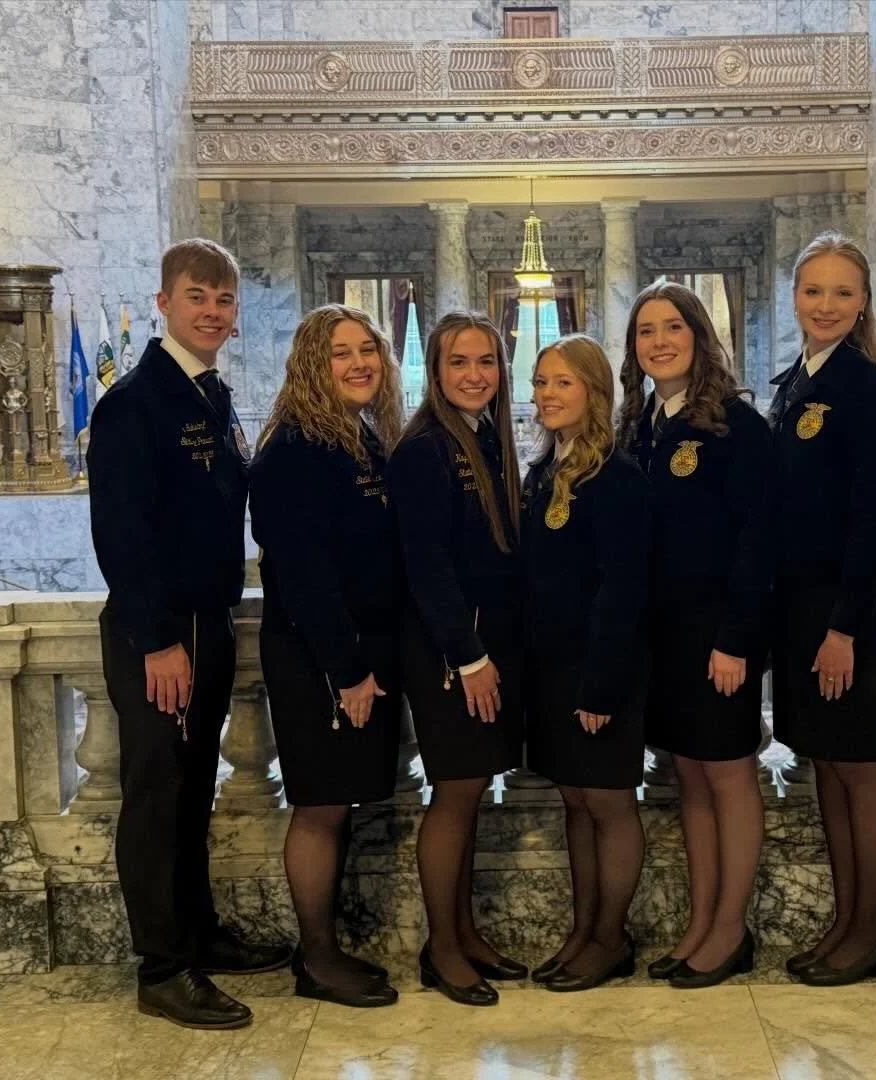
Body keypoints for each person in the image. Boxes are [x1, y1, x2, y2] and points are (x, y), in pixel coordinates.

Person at [88, 239, 290, 1031]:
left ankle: (198, 933)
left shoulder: (209, 394)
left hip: (210, 622)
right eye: (197, 296)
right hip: (163, 633)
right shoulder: (134, 403)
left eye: (223, 299)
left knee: (193, 789)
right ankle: (163, 968)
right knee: (157, 798)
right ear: (164, 302)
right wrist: (156, 639)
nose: (211, 311)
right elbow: (122, 533)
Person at [616, 282, 773, 990]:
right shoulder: (639, 424)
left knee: (729, 774)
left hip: (719, 636)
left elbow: (756, 544)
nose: (659, 342)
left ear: (699, 335)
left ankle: (731, 929)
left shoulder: (738, 426)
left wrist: (736, 639)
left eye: (672, 327)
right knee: (690, 778)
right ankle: (702, 921)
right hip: (664, 638)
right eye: (646, 331)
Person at [248, 304, 405, 1008]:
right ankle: (315, 958)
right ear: (313, 363)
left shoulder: (358, 433)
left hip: (358, 651)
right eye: (341, 352)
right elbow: (304, 576)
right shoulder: (294, 448)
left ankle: (327, 949)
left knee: (337, 805)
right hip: (318, 658)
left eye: (367, 349)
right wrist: (347, 671)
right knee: (319, 807)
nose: (359, 362)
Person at [767, 232, 876, 987]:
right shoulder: (796, 380)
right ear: (796, 297)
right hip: (796, 608)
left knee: (857, 765)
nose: (825, 305)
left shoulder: (870, 392)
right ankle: (844, 922)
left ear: (863, 305)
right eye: (813, 290)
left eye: (842, 293)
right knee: (825, 763)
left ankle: (869, 931)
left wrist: (843, 628)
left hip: (839, 613)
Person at [388, 311, 526, 1007]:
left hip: (484, 644)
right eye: (459, 362)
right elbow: (427, 566)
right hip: (451, 653)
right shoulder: (424, 449)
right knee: (454, 793)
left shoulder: (484, 437)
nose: (474, 375)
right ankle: (442, 949)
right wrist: (469, 657)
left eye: (486, 362)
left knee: (470, 791)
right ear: (436, 372)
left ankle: (464, 933)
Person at [521, 335, 650, 993]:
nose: (547, 394)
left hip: (600, 668)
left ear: (594, 391)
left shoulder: (617, 477)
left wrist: (600, 685)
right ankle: (582, 930)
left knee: (607, 802)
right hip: (551, 670)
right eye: (541, 382)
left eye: (562, 383)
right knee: (574, 800)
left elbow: (622, 590)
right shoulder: (544, 470)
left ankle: (610, 939)